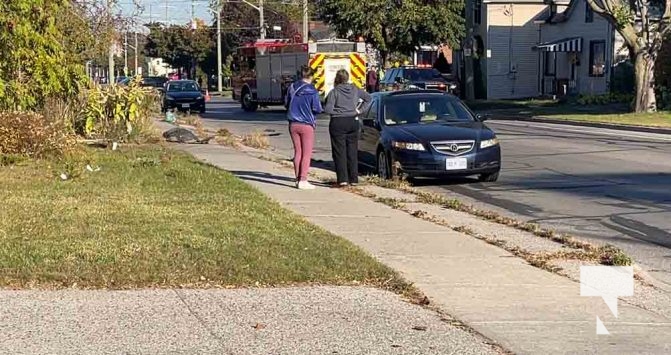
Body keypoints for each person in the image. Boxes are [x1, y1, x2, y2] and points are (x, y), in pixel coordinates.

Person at [324, 69, 372, 187]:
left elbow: (328, 109)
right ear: (347, 78)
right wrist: (359, 110)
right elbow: (368, 98)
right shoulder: (355, 89)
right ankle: (354, 179)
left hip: (338, 122)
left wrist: (337, 111)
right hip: (352, 121)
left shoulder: (334, 92)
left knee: (339, 151)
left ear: (337, 79)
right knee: (352, 151)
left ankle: (343, 179)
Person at [285, 65, 323, 190]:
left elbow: (286, 103)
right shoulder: (313, 91)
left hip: (293, 123)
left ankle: (297, 179)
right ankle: (303, 179)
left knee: (298, 152)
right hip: (307, 124)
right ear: (311, 76)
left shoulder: (292, 87)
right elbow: (317, 108)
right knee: (306, 153)